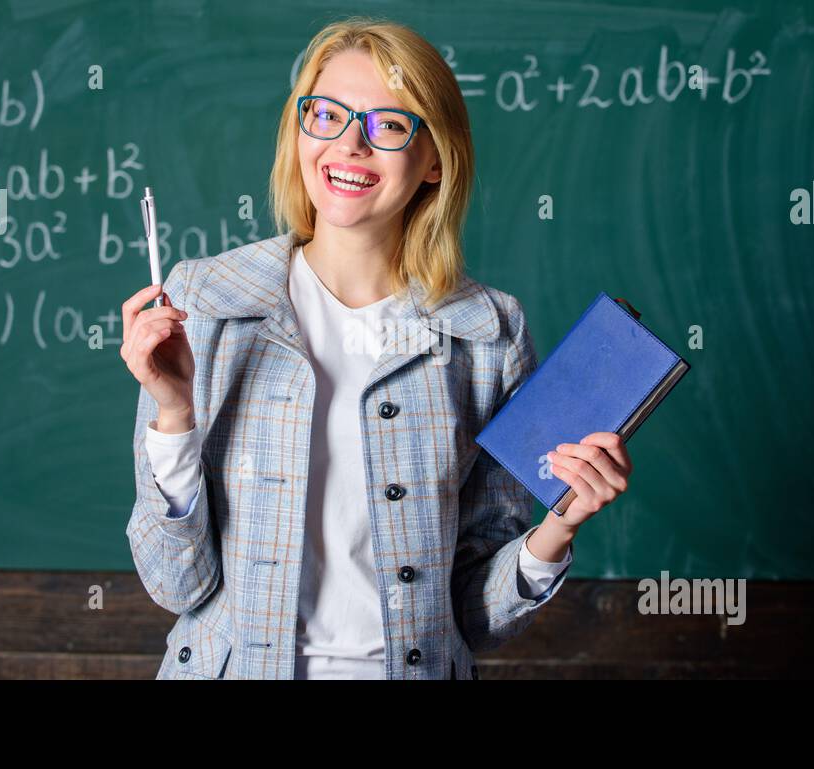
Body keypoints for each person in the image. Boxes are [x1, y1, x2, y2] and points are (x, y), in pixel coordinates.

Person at [120, 16, 632, 680]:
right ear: (299, 130)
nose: (349, 144)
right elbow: (173, 583)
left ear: (435, 160)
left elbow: (475, 618)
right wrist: (174, 412)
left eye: (388, 125)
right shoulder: (205, 302)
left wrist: (559, 525)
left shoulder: (487, 334)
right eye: (326, 114)